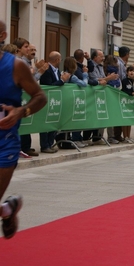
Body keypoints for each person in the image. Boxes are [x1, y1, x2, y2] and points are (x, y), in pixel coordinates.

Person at [0, 20, 47, 239]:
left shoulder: (15, 66)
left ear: (2, 36)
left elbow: (40, 97)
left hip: (5, 142)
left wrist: (21, 112)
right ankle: (8, 209)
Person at [39, 51, 71, 153]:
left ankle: (50, 143)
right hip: (47, 100)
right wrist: (62, 81)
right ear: (57, 60)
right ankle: (44, 145)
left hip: (56, 100)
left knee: (53, 122)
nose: (60, 61)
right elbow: (48, 86)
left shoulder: (57, 70)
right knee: (45, 123)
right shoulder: (47, 70)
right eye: (60, 59)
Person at [120, 65, 134, 144]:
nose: (132, 72)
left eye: (133, 71)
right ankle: (125, 137)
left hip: (131, 103)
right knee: (125, 120)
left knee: (130, 120)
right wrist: (131, 93)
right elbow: (123, 91)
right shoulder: (124, 81)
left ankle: (129, 136)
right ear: (127, 72)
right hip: (125, 102)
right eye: (130, 71)